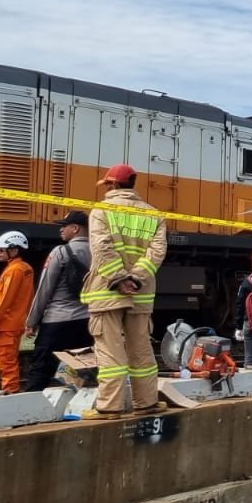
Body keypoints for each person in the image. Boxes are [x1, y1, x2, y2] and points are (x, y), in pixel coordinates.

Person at [81, 164, 167, 418]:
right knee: (141, 348)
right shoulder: (154, 214)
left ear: (112, 185)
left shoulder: (102, 210)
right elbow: (157, 252)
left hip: (107, 291)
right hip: (141, 292)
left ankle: (109, 406)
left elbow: (101, 247)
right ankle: (146, 402)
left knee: (110, 349)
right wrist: (137, 279)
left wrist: (119, 279)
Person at [24, 211, 92, 390]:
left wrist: (32, 321)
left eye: (65, 226)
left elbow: (44, 289)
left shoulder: (60, 252)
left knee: (41, 371)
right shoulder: (100, 253)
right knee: (81, 373)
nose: (61, 229)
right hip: (88, 322)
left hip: (57, 321)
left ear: (75, 228)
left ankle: (30, 409)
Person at [0, 231, 35, 394]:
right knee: (11, 360)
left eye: (1, 250)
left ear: (14, 250)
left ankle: (10, 392)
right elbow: (30, 297)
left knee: (6, 362)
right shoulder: (26, 268)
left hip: (6, 325)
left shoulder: (13, 271)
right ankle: (11, 390)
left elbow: (4, 302)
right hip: (17, 323)